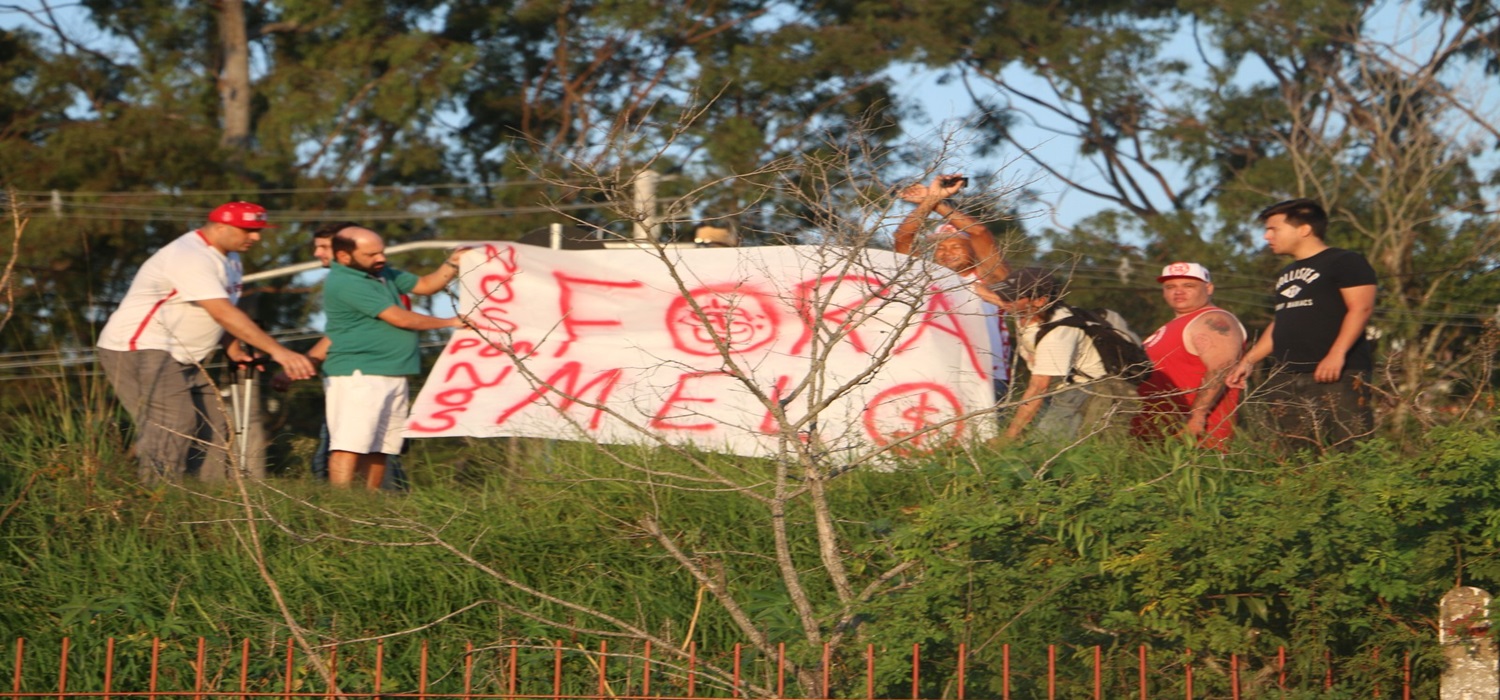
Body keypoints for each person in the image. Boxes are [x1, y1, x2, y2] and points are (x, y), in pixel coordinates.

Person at [96, 201, 316, 484]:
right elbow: (222, 311)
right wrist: (280, 353)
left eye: (259, 230)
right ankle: (154, 500)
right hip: (140, 348)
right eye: (249, 230)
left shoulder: (231, 257)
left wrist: (233, 349)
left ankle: (205, 501)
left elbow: (223, 313)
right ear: (221, 227)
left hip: (182, 356)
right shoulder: (190, 255)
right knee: (174, 421)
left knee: (214, 422)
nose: (257, 237)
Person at [322, 226, 467, 489]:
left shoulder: (381, 273)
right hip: (360, 374)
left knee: (382, 446)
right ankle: (339, 507)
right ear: (344, 256)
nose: (381, 258)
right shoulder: (345, 282)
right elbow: (399, 318)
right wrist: (449, 321)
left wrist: (452, 263)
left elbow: (424, 285)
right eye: (371, 254)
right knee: (349, 444)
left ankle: (371, 503)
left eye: (382, 252)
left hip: (393, 372)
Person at [1227, 199, 1378, 449]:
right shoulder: (1287, 273)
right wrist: (1248, 361)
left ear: (1304, 229)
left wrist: (1336, 355)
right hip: (1288, 377)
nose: (1266, 236)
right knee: (1297, 458)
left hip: (1337, 375)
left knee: (1352, 451)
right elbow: (1281, 321)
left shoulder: (1345, 261)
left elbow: (1361, 308)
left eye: (1273, 229)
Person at [273, 222, 408, 489]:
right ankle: (362, 511)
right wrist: (299, 367)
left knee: (349, 452)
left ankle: (348, 514)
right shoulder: (353, 284)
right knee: (359, 448)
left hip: (367, 377)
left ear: (345, 251)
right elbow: (339, 334)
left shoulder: (377, 286)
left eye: (324, 247)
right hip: (355, 377)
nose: (318, 253)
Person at [894, 173, 1012, 399]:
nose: (946, 252)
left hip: (986, 376)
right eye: (940, 247)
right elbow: (903, 239)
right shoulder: (926, 280)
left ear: (973, 249)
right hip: (935, 374)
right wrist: (929, 201)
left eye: (955, 245)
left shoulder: (990, 277)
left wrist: (936, 202)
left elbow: (980, 232)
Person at [991, 267, 1136, 442]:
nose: (1003, 301)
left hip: (1087, 390)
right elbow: (989, 294)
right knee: (1032, 440)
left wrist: (1008, 437)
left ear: (1039, 301)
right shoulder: (1026, 311)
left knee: (1043, 448)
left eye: (1011, 297)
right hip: (1061, 386)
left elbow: (1038, 387)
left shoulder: (1058, 334)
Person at [1130, 262, 1246, 449]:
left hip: (1193, 438)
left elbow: (1221, 367)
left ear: (1209, 288)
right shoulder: (1173, 325)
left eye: (1188, 285)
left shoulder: (1213, 319)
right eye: (1171, 287)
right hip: (1156, 437)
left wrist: (1197, 416)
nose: (1178, 292)